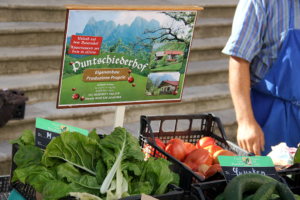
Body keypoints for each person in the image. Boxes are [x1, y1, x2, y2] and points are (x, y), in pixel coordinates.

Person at [222, 0, 300, 156]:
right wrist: (245, 122)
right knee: (271, 179)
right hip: (271, 118)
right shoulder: (259, 2)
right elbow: (239, 59)